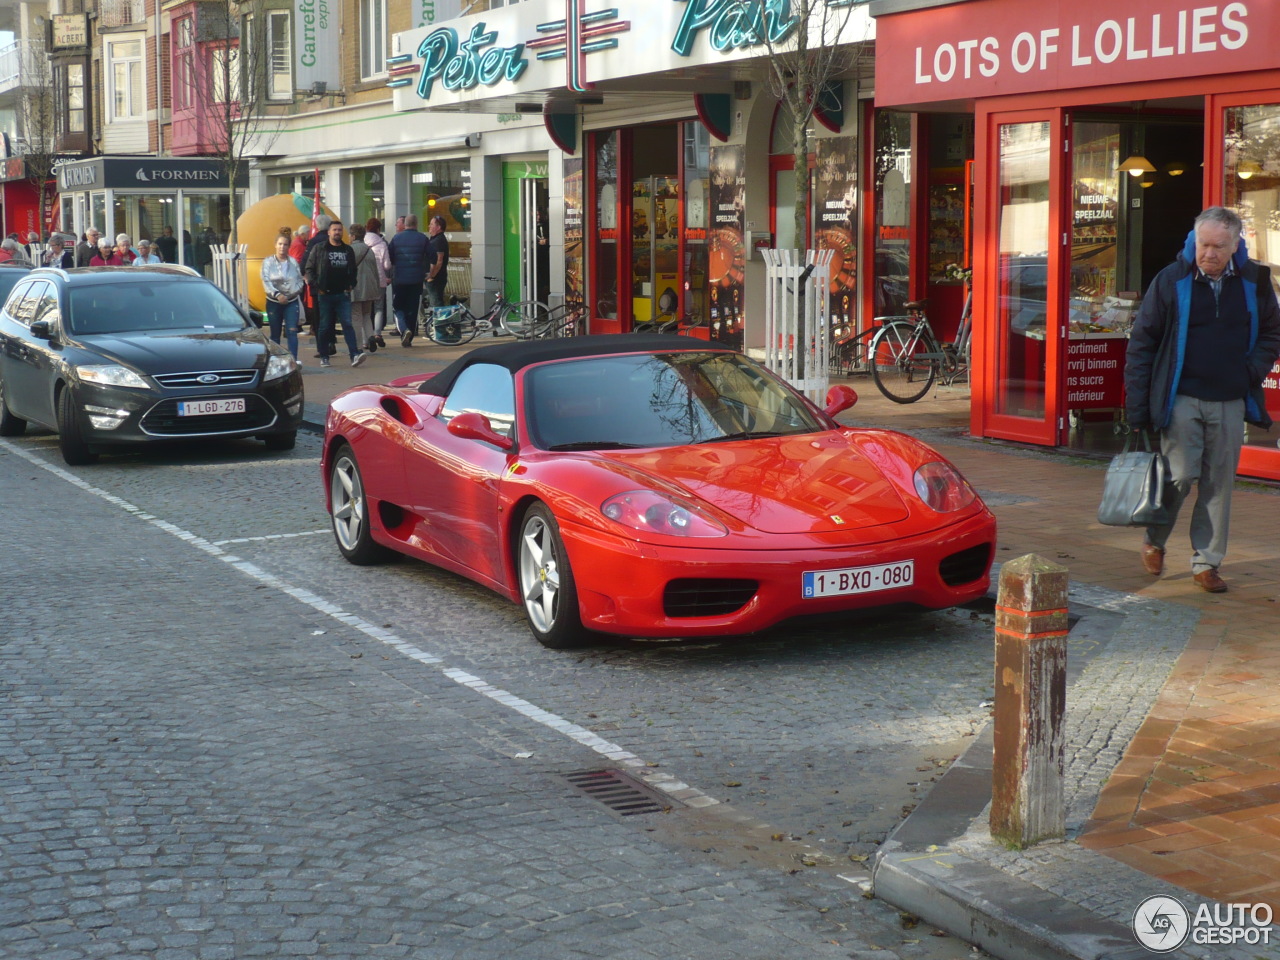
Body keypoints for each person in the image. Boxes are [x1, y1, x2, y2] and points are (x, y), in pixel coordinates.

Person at [1125, 206, 1280, 593]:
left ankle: (1206, 563)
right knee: (1180, 475)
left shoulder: (1255, 281)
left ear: (1235, 245)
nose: (1208, 254)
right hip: (1182, 396)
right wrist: (1138, 408)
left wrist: (1249, 372)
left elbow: (1273, 334)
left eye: (1218, 247)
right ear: (1194, 241)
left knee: (1218, 482)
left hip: (1229, 398)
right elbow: (1142, 344)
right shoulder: (1171, 279)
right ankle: (1155, 538)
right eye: (1203, 244)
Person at [304, 219, 366, 368]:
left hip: (342, 294)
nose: (337, 232)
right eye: (334, 230)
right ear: (329, 232)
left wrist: (351, 284)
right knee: (324, 326)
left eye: (339, 230)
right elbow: (309, 268)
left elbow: (353, 270)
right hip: (325, 293)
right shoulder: (320, 248)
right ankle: (324, 356)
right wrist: (316, 285)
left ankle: (354, 355)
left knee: (347, 324)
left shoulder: (347, 250)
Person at [387, 213, 430, 347]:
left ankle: (404, 329)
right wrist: (429, 273)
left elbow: (390, 257)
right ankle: (409, 336)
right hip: (417, 279)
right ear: (416, 224)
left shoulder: (396, 238)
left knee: (398, 306)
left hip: (400, 279)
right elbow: (432, 256)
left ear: (405, 224)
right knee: (412, 309)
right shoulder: (423, 238)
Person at [262, 231, 305, 360]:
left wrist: (291, 294)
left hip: (291, 302)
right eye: (280, 244)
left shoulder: (293, 262)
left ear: (289, 246)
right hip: (273, 302)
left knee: (292, 331)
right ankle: (275, 360)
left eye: (285, 244)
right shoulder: (268, 262)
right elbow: (266, 280)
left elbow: (299, 281)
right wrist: (277, 294)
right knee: (275, 334)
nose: (282, 247)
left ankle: (293, 360)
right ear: (275, 245)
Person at [348, 224, 382, 355]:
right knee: (366, 315)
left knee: (356, 317)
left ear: (354, 236)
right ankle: (370, 336)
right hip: (371, 287)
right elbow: (375, 270)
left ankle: (358, 345)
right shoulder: (370, 250)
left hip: (356, 287)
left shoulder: (350, 250)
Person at [364, 217, 391, 349]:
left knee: (365, 310)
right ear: (378, 229)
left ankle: (366, 338)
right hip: (380, 280)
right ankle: (377, 333)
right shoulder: (382, 244)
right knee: (379, 309)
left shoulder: (361, 242)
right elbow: (387, 265)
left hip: (366, 281)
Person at [424, 214, 451, 313]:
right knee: (433, 302)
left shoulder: (439, 241)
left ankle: (440, 325)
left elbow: (439, 260)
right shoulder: (434, 239)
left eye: (431, 224)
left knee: (436, 304)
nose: (429, 226)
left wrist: (431, 276)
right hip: (431, 278)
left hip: (436, 279)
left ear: (438, 227)